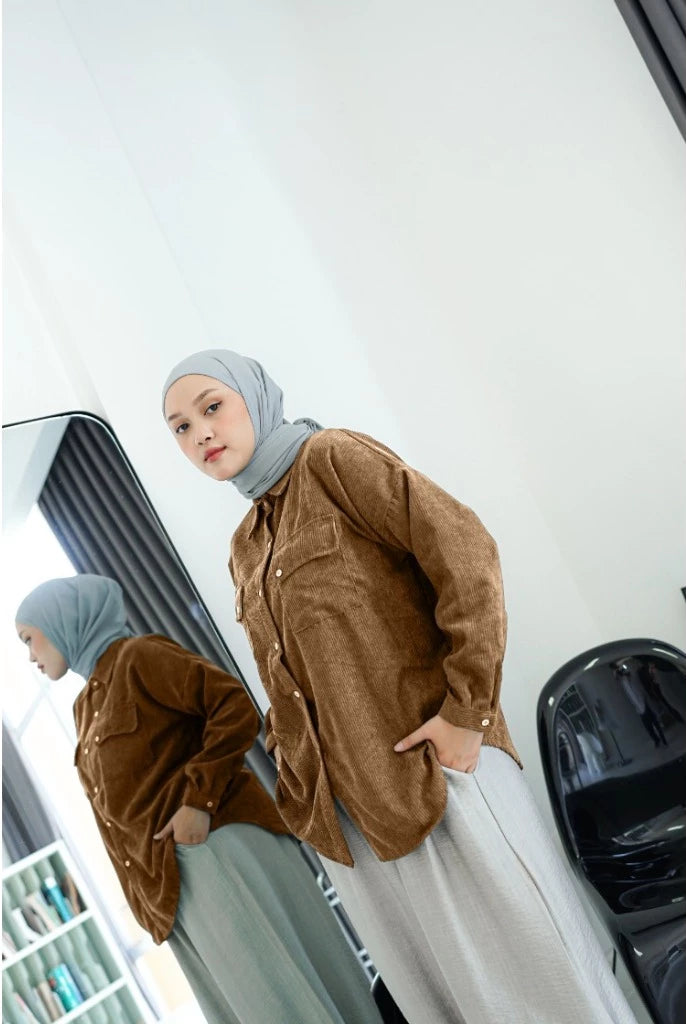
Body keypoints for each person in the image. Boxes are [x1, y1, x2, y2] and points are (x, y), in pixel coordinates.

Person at [162, 349, 639, 1024]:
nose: (200, 433)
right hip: (352, 826)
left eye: (212, 407)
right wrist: (297, 767)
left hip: (438, 784)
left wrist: (467, 713)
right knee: (446, 1008)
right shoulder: (247, 542)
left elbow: (467, 555)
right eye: (180, 427)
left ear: (254, 399)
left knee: (543, 996)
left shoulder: (331, 459)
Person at [15, 574, 382, 1024]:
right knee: (251, 1006)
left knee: (277, 998)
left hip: (214, 850)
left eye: (30, 639)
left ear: (62, 620)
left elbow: (233, 707)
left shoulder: (138, 657)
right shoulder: (85, 707)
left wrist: (198, 802)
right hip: (171, 885)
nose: (30, 655)